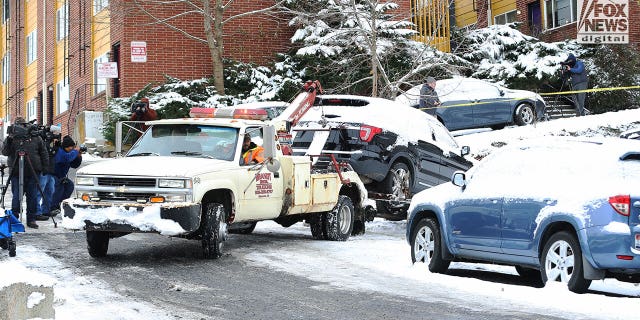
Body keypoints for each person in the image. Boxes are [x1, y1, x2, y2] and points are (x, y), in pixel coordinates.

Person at [1, 117, 49, 228]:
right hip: (16, 172)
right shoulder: (12, 138)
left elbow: (44, 152)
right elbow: (5, 152)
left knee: (32, 196)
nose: (20, 128)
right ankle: (14, 218)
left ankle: (31, 219)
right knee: (17, 196)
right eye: (18, 126)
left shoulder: (35, 137)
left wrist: (45, 167)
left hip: (33, 171)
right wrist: (9, 139)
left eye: (22, 125)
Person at [50, 135, 82, 216]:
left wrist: (79, 156)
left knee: (70, 185)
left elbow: (74, 165)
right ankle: (53, 207)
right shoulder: (60, 151)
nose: (71, 149)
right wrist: (75, 152)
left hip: (62, 175)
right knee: (59, 187)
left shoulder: (69, 153)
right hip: (53, 174)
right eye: (70, 147)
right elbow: (66, 158)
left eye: (73, 147)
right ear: (65, 146)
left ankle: (61, 204)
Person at [36, 126, 60, 219]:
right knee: (39, 191)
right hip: (43, 169)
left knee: (49, 191)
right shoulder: (42, 139)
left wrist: (56, 147)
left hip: (50, 170)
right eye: (56, 133)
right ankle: (36, 212)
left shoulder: (52, 141)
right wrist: (48, 141)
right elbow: (43, 153)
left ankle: (46, 210)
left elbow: (52, 154)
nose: (57, 135)